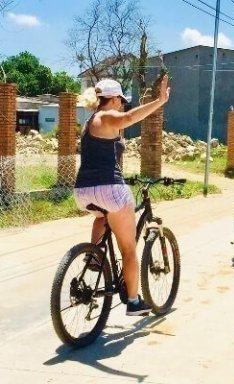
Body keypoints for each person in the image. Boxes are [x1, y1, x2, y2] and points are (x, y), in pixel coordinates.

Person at [74, 76, 170, 316]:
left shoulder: (89, 123)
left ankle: (95, 258)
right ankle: (134, 302)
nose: (122, 105)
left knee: (101, 218)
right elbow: (128, 119)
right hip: (109, 188)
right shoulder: (107, 116)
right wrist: (159, 101)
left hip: (83, 190)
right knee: (128, 249)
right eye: (121, 101)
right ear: (114, 99)